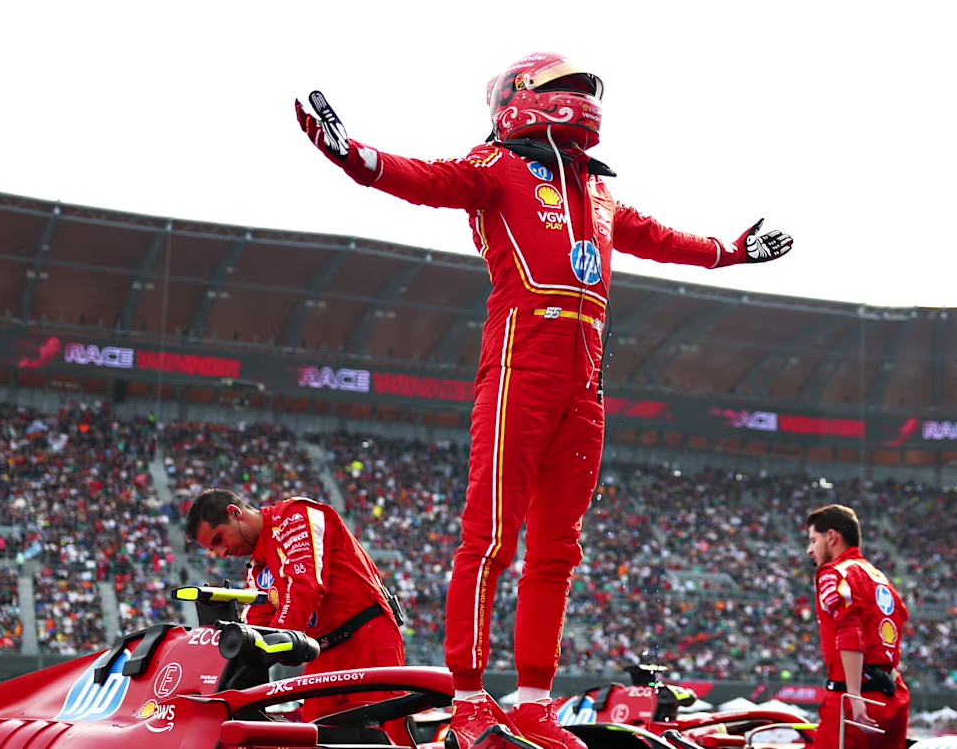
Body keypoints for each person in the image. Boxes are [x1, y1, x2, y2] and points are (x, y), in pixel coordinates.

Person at [294, 53, 794, 749]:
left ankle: (534, 705)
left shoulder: (600, 192)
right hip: (522, 358)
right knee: (491, 537)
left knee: (558, 549)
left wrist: (730, 251)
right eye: (564, 88)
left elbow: (662, 239)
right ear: (517, 99)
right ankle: (469, 700)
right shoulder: (495, 165)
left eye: (581, 90)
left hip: (585, 376)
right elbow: (428, 181)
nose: (578, 98)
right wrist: (353, 155)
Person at [185, 488, 405, 722]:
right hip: (322, 655)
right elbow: (255, 624)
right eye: (212, 549)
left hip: (365, 638)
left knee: (390, 735)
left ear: (234, 513)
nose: (221, 553)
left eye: (219, 540)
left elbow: (305, 586)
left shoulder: (295, 516)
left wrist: (274, 642)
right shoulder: (259, 567)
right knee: (315, 738)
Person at [806, 504, 910, 749]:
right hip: (894, 695)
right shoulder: (881, 578)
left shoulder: (833, 573)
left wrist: (853, 695)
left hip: (855, 698)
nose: (810, 549)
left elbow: (849, 629)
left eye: (813, 540)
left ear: (831, 537)